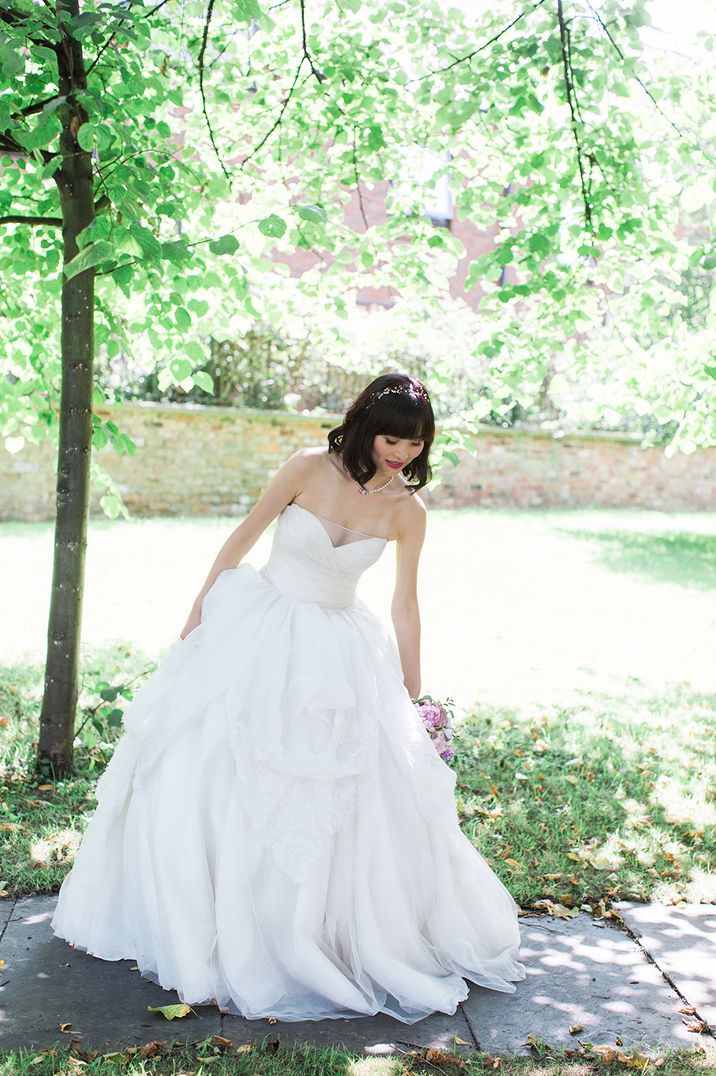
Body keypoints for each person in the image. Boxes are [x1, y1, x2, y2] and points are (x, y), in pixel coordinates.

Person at [51, 371, 525, 1024]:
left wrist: (410, 692)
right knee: (211, 761)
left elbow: (405, 603)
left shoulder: (407, 512)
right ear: (364, 425)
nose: (403, 453)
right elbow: (243, 537)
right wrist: (198, 613)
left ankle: (317, 930)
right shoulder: (307, 468)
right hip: (261, 623)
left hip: (341, 649)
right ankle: (207, 918)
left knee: (344, 789)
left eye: (415, 444)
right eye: (392, 438)